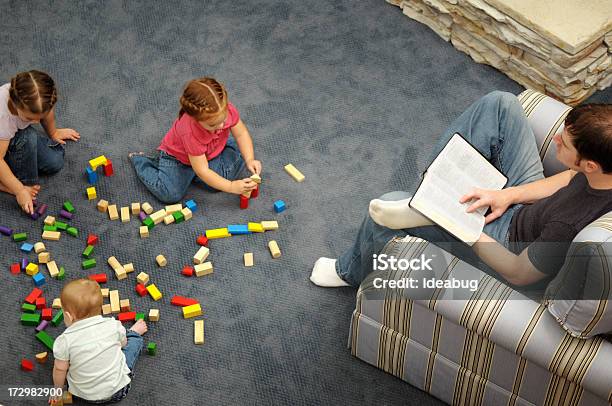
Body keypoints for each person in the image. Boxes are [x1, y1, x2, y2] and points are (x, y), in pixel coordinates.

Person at [310, 91, 612, 288]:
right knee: (501, 104)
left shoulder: (567, 226)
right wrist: (507, 195)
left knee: (384, 211)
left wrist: (464, 226)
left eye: (566, 143)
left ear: (591, 165)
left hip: (510, 244)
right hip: (529, 212)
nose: (556, 139)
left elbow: (519, 273)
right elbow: (567, 180)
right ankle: (429, 192)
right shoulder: (601, 171)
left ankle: (348, 271)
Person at [129, 77, 261, 203]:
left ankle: (200, 176)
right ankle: (142, 161)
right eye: (212, 125)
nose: (221, 126)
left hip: (209, 153)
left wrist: (250, 159)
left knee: (236, 159)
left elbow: (241, 134)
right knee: (170, 194)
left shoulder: (226, 109)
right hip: (179, 159)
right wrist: (231, 186)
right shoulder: (190, 132)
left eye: (223, 119)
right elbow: (202, 170)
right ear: (196, 119)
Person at [50, 279, 147, 404]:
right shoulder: (113, 325)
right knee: (132, 341)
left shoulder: (64, 341)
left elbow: (59, 369)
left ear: (68, 316)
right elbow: (123, 344)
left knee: (68, 362)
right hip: (118, 390)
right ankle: (134, 332)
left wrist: (57, 391)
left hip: (81, 395)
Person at [0, 70, 80, 214]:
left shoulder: (40, 99)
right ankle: (7, 185)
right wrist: (19, 190)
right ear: (16, 105)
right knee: (29, 136)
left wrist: (53, 132)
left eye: (39, 117)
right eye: (31, 118)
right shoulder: (3, 118)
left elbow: (46, 113)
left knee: (55, 162)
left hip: (12, 136)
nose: (37, 122)